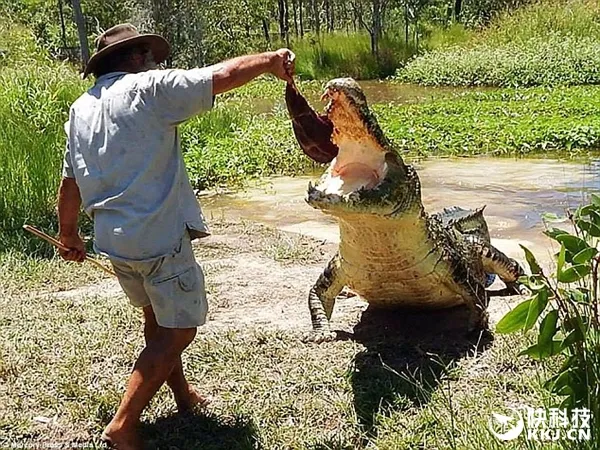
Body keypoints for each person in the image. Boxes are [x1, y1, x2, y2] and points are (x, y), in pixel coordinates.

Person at [57, 23, 295, 450]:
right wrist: (269, 62)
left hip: (114, 241)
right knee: (181, 328)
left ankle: (183, 395)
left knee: (157, 320)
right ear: (133, 58)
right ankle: (123, 425)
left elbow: (70, 182)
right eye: (148, 53)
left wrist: (69, 234)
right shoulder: (147, 89)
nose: (155, 59)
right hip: (156, 238)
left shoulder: (81, 108)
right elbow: (216, 77)